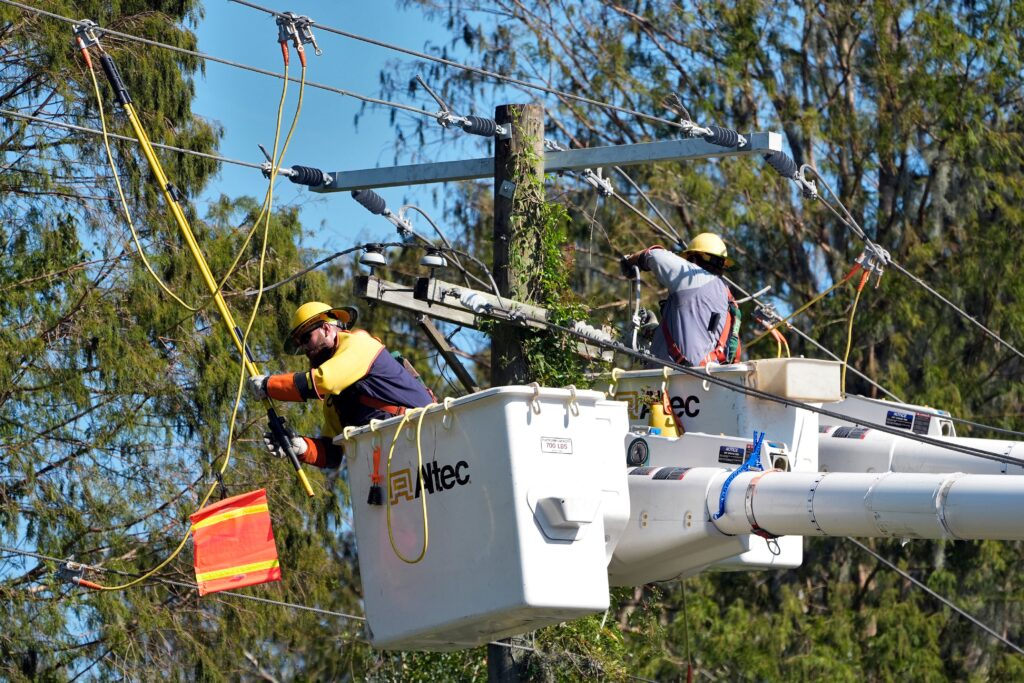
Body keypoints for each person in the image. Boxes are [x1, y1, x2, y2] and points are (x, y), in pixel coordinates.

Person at [248, 301, 434, 469]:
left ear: (327, 329)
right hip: (393, 460)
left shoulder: (360, 344)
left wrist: (269, 385)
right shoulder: (334, 399)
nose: (304, 349)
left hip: (428, 436)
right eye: (299, 344)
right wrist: (300, 446)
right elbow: (333, 452)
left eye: (306, 338)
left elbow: (323, 380)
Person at [620, 232, 742, 367]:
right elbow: (699, 339)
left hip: (677, 381)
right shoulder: (727, 298)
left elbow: (655, 255)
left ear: (693, 260)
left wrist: (630, 261)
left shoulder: (693, 277)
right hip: (708, 381)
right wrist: (655, 331)